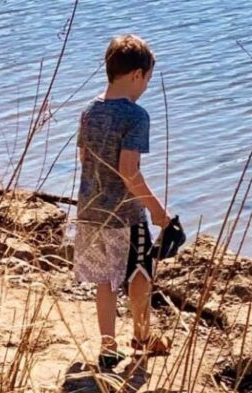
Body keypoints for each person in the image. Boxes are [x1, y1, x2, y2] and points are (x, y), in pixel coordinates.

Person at [74, 34, 170, 370]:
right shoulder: (136, 116)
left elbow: (84, 157)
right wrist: (157, 211)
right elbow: (128, 170)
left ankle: (108, 347)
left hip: (89, 208)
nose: (146, 87)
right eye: (148, 80)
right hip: (125, 214)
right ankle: (142, 337)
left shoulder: (88, 111)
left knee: (106, 279)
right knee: (139, 273)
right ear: (137, 75)